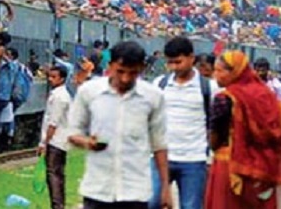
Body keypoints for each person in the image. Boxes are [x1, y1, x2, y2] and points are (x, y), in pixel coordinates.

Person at [68, 40, 171, 209]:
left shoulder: (153, 97)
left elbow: (159, 144)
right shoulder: (89, 92)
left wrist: (165, 187)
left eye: (133, 73)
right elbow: (73, 132)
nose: (125, 78)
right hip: (97, 189)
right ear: (109, 66)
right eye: (120, 71)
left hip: (135, 190)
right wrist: (87, 142)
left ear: (142, 69)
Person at [206, 50, 281, 209]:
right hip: (263, 169)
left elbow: (214, 139)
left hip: (230, 167)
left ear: (235, 72)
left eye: (219, 71)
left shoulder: (225, 99)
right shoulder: (265, 95)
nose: (215, 75)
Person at [151, 37, 216, 209]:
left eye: (178, 62)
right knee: (152, 202)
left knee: (191, 206)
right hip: (162, 157)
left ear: (191, 58)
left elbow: (217, 122)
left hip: (194, 159)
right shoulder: (160, 84)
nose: (174, 67)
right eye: (170, 63)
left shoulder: (209, 88)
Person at [40, 63, 72, 209]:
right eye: (49, 76)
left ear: (62, 79)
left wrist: (44, 144)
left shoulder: (59, 97)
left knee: (53, 174)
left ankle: (57, 205)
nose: (50, 80)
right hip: (60, 140)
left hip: (56, 141)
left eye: (54, 77)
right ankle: (59, 204)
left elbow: (53, 123)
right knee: (58, 174)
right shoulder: (61, 94)